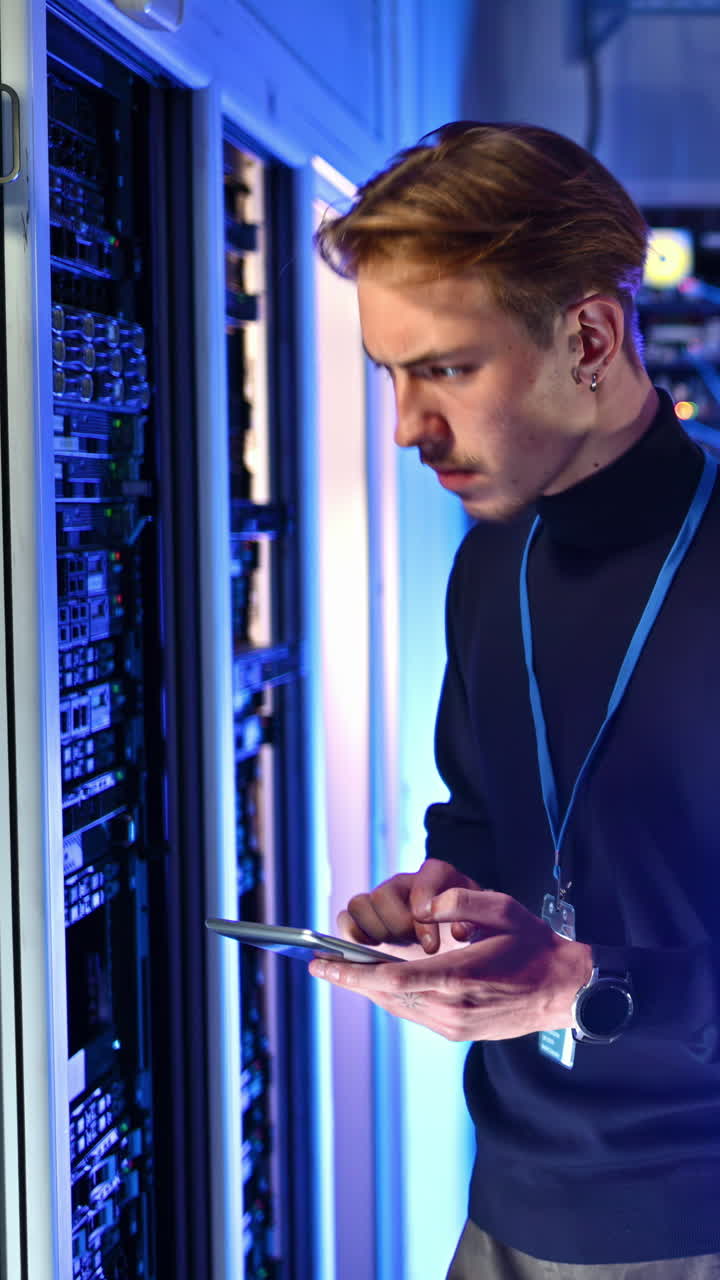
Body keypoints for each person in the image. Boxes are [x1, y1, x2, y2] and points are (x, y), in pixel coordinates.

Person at [310, 121, 720, 1279]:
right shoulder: (493, 559)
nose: (405, 426)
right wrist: (441, 899)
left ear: (589, 333)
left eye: (444, 367)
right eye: (390, 373)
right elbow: (483, 813)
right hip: (506, 1210)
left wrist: (582, 980)